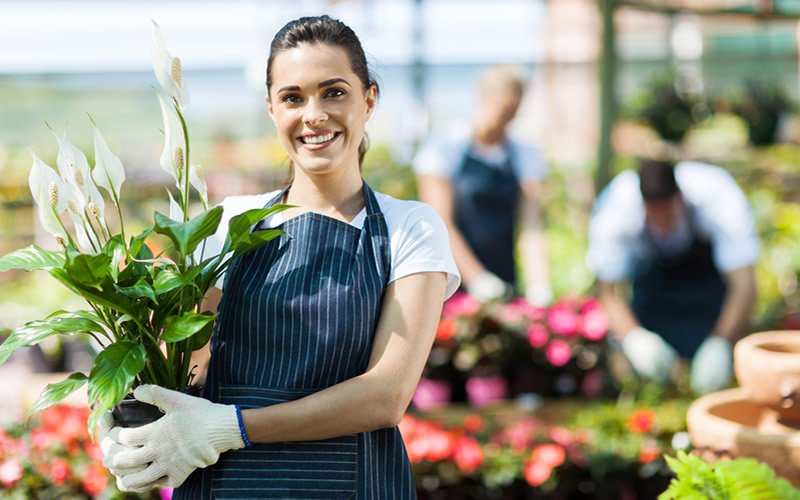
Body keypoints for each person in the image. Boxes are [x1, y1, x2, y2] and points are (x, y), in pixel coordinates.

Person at [100, 15, 460, 498]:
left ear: (368, 100)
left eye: (334, 92)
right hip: (228, 484)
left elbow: (385, 396)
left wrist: (233, 428)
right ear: (271, 108)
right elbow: (190, 367)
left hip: (351, 483)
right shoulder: (229, 222)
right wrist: (121, 415)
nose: (313, 115)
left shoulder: (409, 227)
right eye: (293, 97)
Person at [586, 158, 758, 393]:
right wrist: (634, 337)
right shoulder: (615, 208)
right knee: (650, 383)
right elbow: (607, 290)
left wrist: (722, 342)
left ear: (679, 197)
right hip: (653, 299)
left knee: (712, 381)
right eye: (654, 214)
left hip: (708, 299)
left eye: (668, 214)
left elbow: (744, 285)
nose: (662, 223)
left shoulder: (719, 196)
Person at [413, 64, 552, 305]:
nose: (505, 122)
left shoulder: (523, 155)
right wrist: (477, 278)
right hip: (453, 283)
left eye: (512, 114)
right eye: (503, 112)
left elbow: (531, 224)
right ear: (483, 98)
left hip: (504, 276)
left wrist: (538, 283)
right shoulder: (444, 147)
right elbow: (439, 222)